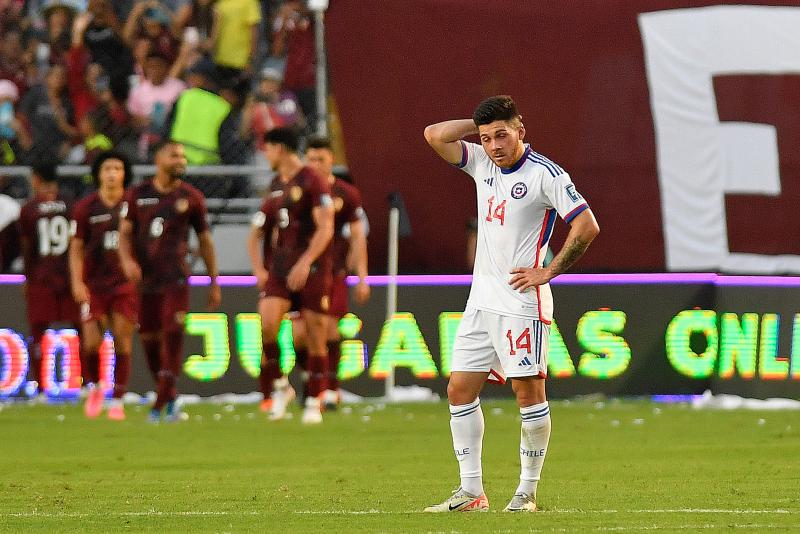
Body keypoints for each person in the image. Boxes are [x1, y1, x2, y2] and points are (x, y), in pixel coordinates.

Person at [422, 95, 599, 513]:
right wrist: (480, 124)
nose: (494, 145)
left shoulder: (546, 175)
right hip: (481, 302)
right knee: (459, 390)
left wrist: (548, 271)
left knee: (528, 394)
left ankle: (526, 492)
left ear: (521, 129)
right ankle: (471, 492)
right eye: (486, 138)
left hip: (521, 303)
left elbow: (587, 225)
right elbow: (433, 135)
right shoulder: (482, 161)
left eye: (502, 134)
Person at [118, 140, 221, 422]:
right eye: (175, 155)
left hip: (176, 277)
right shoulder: (137, 195)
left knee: (173, 333)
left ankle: (158, 404)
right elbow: (125, 234)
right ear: (159, 159)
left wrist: (214, 281)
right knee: (149, 339)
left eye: (183, 156)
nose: (181, 160)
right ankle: (170, 397)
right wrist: (127, 261)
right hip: (146, 280)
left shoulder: (192, 197)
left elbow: (205, 240)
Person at [246, 127, 333, 424]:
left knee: (314, 334)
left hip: (313, 268)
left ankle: (313, 402)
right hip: (280, 269)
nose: (265, 155)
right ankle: (282, 386)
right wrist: (259, 268)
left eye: (267, 149)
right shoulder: (274, 184)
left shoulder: (313, 180)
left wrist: (307, 261)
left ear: (280, 149)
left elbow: (326, 227)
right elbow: (256, 233)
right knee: (267, 325)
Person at [296, 136, 369, 408]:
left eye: (321, 160)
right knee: (299, 334)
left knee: (328, 329)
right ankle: (310, 377)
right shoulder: (296, 191)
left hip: (332, 271)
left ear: (331, 161)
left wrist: (362, 277)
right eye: (311, 159)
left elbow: (358, 236)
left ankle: (330, 388)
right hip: (299, 271)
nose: (315, 165)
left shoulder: (346, 194)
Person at [69, 151, 137, 420]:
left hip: (123, 284)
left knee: (122, 339)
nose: (111, 174)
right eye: (107, 168)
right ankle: (95, 386)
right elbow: (75, 248)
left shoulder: (132, 206)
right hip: (94, 284)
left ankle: (117, 399)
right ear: (98, 173)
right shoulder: (85, 208)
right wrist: (76, 280)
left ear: (124, 174)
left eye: (117, 169)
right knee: (91, 342)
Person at [18, 163, 82, 396]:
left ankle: (43, 389)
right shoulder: (72, 204)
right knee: (81, 330)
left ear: (35, 179)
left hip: (42, 276)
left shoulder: (29, 209)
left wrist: (27, 277)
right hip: (71, 275)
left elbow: (27, 247)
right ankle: (86, 384)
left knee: (39, 333)